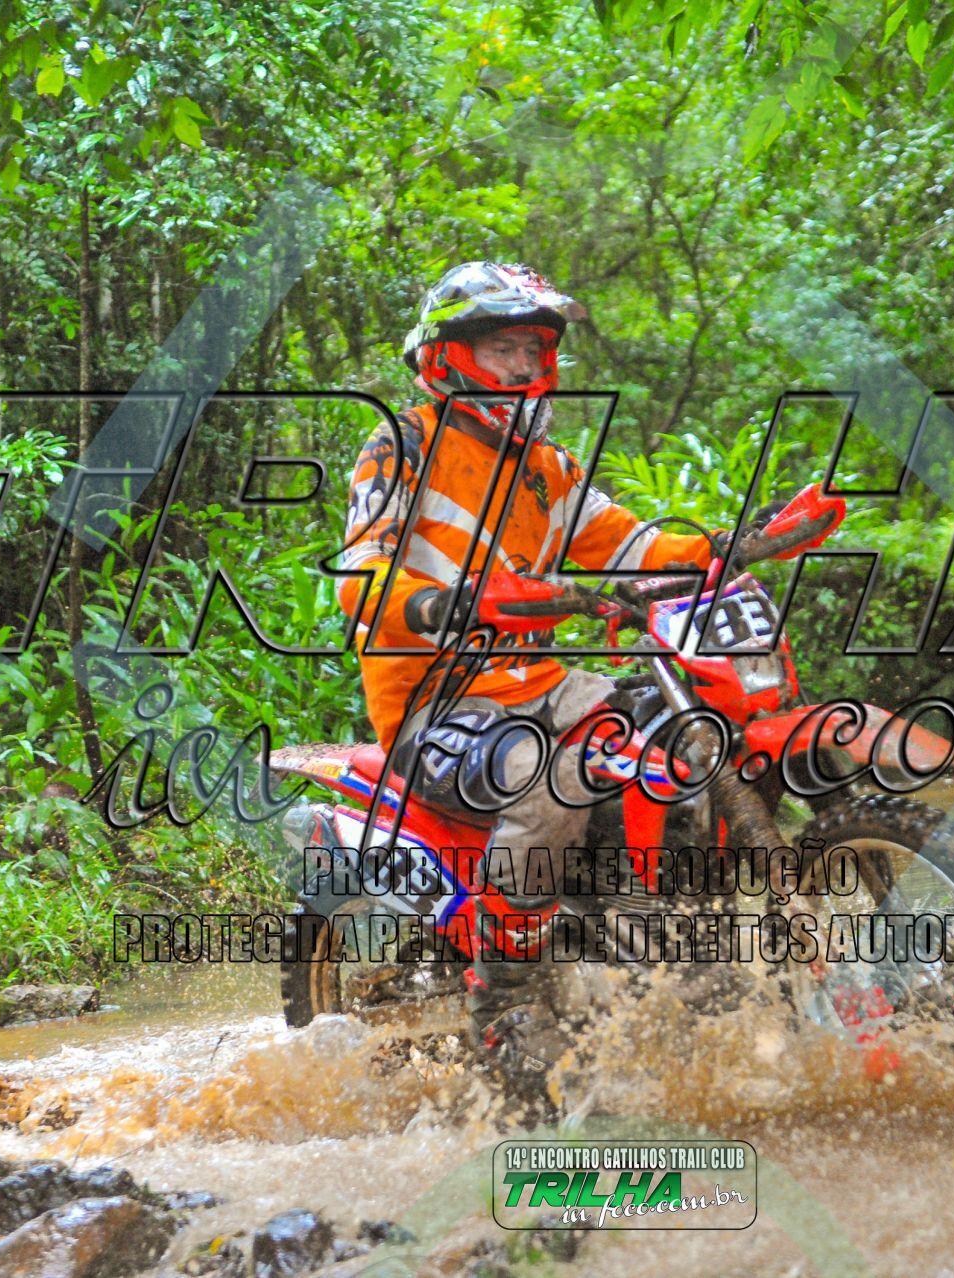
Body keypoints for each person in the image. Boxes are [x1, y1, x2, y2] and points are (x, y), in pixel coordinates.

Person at [335, 261, 719, 1083]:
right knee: (553, 784)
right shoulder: (403, 444)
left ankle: (659, 955)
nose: (522, 367)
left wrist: (732, 546)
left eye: (533, 350)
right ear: (448, 355)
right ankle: (503, 999)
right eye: (502, 348)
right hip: (435, 707)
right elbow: (360, 572)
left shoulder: (548, 468)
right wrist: (444, 602)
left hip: (541, 690)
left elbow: (633, 544)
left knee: (678, 751)